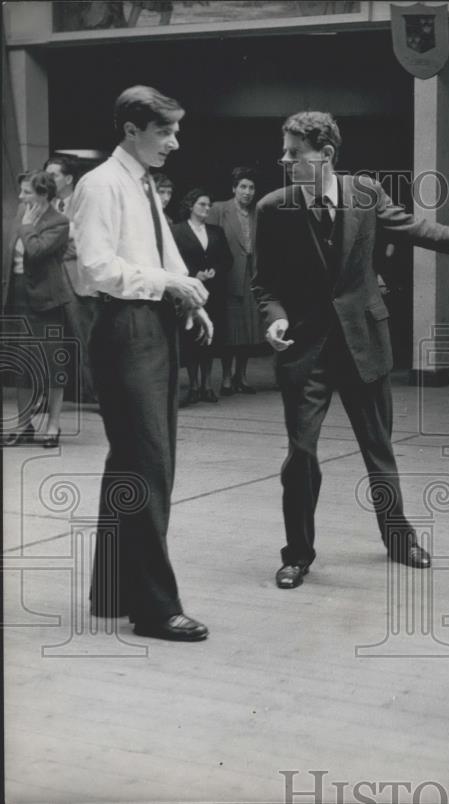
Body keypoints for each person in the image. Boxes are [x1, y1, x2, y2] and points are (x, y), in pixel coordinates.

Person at [252, 110, 449, 588]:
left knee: (379, 451)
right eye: (285, 151)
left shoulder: (366, 193)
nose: (283, 159)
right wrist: (276, 319)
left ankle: (399, 538)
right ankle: (297, 554)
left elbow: (417, 230)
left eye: (294, 153)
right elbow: (264, 285)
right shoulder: (272, 208)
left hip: (363, 345)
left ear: (326, 155)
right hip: (306, 353)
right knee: (301, 456)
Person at [72, 85, 213, 642]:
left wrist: (185, 297)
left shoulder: (141, 183)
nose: (174, 142)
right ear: (131, 130)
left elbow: (163, 254)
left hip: (152, 325)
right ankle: (155, 608)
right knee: (149, 468)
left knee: (130, 463)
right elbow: (97, 268)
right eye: (165, 131)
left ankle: (111, 591)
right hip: (124, 328)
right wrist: (168, 283)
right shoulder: (100, 184)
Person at [2, 171, 74, 446]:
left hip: (47, 302)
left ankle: (53, 426)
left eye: (27, 192)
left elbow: (36, 250)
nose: (21, 197)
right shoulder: (22, 214)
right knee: (21, 366)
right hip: (17, 297)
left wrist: (27, 226)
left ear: (44, 194)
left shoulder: (59, 222)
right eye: (21, 192)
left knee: (52, 365)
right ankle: (23, 425)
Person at [45, 154, 100, 403]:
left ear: (68, 178)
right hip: (48, 281)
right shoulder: (43, 205)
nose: (47, 179)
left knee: (86, 340)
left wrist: (52, 247)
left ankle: (98, 395)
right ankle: (52, 394)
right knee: (51, 339)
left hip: (78, 281)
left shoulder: (84, 203)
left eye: (53, 175)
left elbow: (86, 243)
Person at [171, 188, 232, 405]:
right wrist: (192, 273)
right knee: (191, 337)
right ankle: (194, 385)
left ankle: (207, 384)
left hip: (213, 292)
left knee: (210, 338)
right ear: (190, 206)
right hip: (190, 291)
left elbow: (227, 259)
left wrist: (215, 270)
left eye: (208, 205)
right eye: (202, 204)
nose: (207, 208)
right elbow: (172, 260)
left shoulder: (216, 232)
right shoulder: (177, 231)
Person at [206, 167, 263, 395]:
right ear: (234, 189)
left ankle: (243, 376)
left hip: (252, 276)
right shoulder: (220, 209)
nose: (247, 192)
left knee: (248, 330)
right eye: (243, 187)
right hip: (228, 276)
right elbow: (209, 240)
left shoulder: (258, 212)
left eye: (251, 188)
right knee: (230, 330)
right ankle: (227, 377)